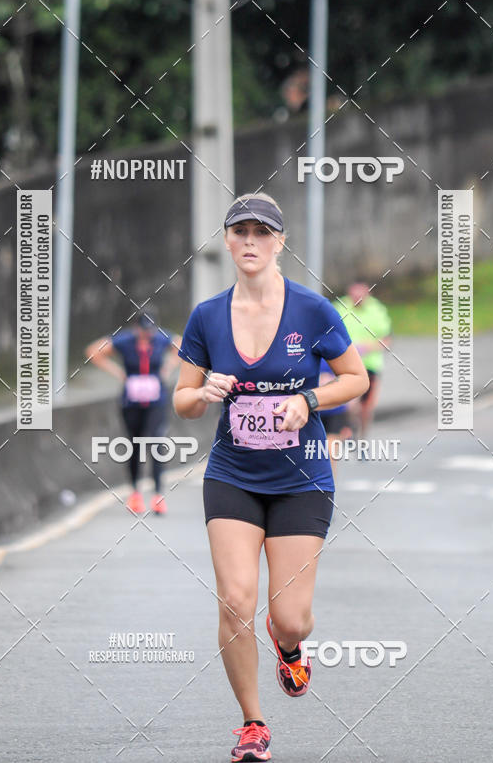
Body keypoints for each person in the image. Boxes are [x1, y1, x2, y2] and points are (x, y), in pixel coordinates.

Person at [173, 193, 369, 762]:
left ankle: (290, 646)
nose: (251, 241)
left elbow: (353, 378)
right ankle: (253, 724)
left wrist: (309, 400)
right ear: (228, 242)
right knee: (235, 601)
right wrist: (202, 392)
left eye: (263, 232)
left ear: (280, 242)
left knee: (288, 615)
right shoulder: (207, 316)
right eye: (241, 232)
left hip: (301, 478)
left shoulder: (312, 311)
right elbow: (183, 400)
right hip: (233, 474)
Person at [85, 310, 179, 514]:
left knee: (156, 442)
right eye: (144, 331)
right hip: (131, 401)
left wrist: (168, 368)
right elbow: (93, 351)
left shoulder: (162, 338)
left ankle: (158, 495)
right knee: (134, 443)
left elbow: (183, 346)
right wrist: (119, 373)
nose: (147, 335)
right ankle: (135, 493)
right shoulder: (125, 340)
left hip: (156, 400)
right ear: (136, 328)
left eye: (151, 331)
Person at [332, 282, 392, 438]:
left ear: (367, 296)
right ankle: (350, 430)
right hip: (345, 365)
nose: (356, 301)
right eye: (354, 298)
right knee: (350, 404)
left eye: (360, 298)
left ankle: (363, 437)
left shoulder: (377, 310)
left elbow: (386, 341)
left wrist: (367, 347)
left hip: (369, 365)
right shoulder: (339, 307)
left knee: (366, 408)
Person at [318, 358, 353, 483]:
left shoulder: (336, 345)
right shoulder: (302, 346)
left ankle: (328, 485)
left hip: (335, 409)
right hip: (311, 409)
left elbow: (352, 377)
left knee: (331, 451)